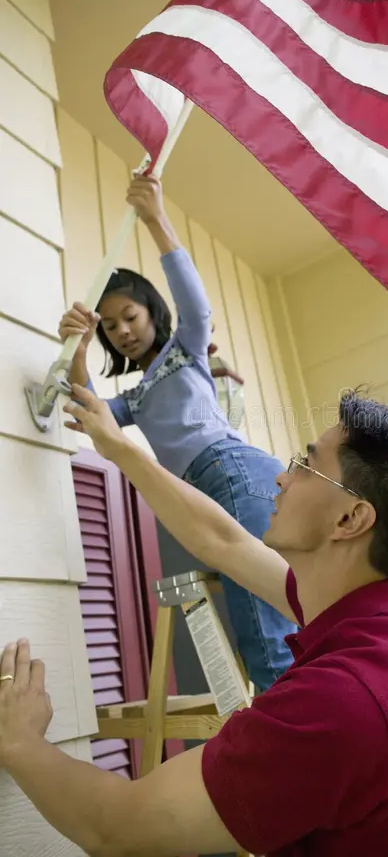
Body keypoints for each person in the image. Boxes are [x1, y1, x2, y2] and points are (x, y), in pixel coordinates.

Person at [0, 389, 388, 857]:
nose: (281, 477)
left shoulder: (345, 702)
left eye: (306, 466)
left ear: (350, 520)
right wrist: (118, 447)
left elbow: (117, 827)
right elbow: (224, 542)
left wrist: (20, 743)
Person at [57, 174, 296, 691]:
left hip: (231, 471)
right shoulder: (137, 398)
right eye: (110, 327)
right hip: (207, 489)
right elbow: (91, 407)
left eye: (130, 316)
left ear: (151, 311)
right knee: (269, 609)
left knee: (262, 622)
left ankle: (293, 722)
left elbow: (197, 308)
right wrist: (77, 350)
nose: (123, 330)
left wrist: (156, 219)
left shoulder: (185, 351)